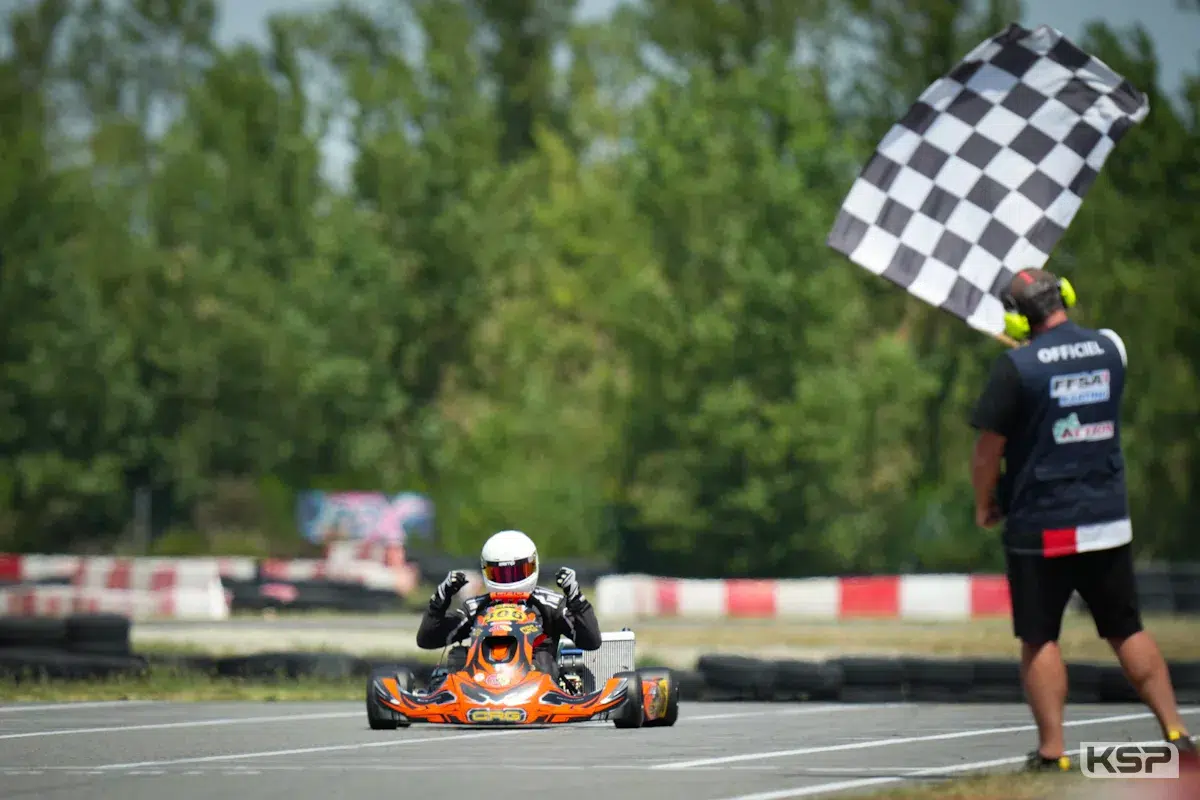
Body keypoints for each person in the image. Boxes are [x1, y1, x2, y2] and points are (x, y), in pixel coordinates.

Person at [969, 268, 1195, 772]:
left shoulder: (1015, 369)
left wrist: (984, 503)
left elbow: (987, 454)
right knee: (1126, 627)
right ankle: (1177, 736)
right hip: (1107, 519)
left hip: (1041, 524)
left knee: (1040, 637)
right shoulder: (1111, 348)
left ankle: (1054, 755)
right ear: (1066, 295)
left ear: (1015, 317)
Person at [415, 529, 602, 680]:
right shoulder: (476, 607)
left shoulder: (550, 604)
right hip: (480, 681)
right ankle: (467, 692)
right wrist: (439, 601)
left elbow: (591, 641)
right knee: (459, 656)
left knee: (543, 659)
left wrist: (576, 599)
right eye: (501, 574)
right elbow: (427, 640)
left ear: (533, 566)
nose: (509, 581)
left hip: (535, 681)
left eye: (516, 572)